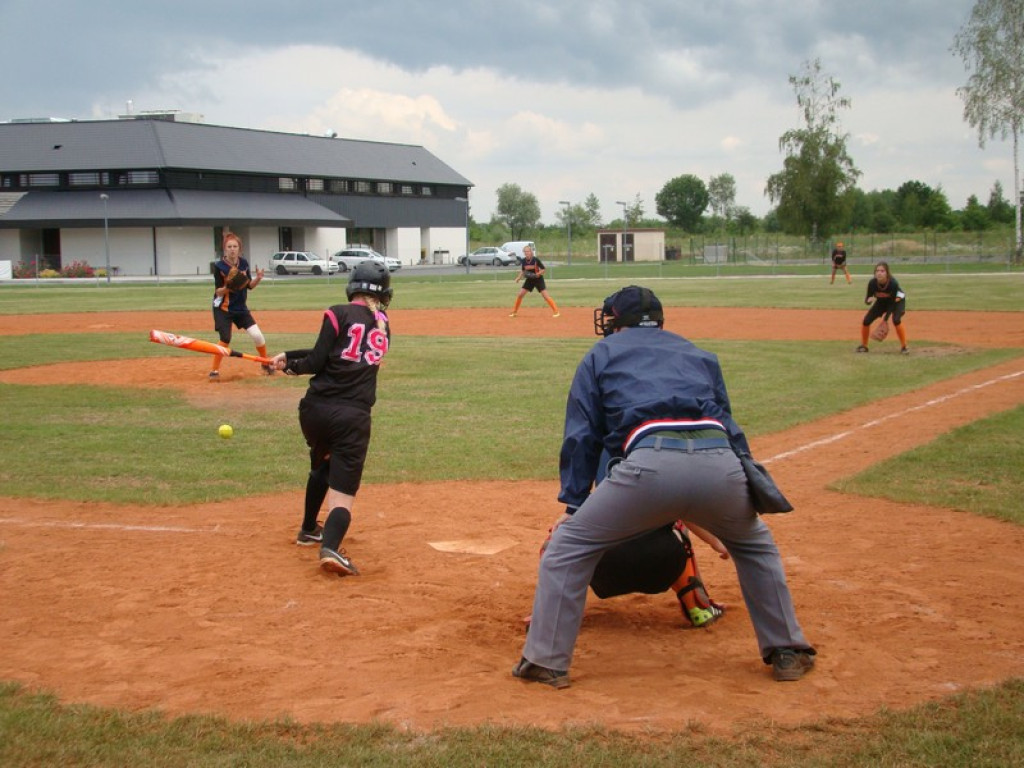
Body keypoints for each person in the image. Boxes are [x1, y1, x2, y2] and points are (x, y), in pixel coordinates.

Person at [512, 285, 815, 689]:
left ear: (615, 322)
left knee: (567, 546)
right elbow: (729, 426)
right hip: (718, 463)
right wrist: (747, 485)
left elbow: (581, 436)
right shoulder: (698, 354)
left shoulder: (601, 354)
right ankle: (788, 651)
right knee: (756, 546)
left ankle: (545, 661)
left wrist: (574, 505)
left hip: (649, 465)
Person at [271, 261, 393, 577]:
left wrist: (289, 365)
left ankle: (310, 528)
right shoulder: (383, 326)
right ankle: (330, 548)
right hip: (352, 417)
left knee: (323, 465)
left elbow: (317, 359)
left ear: (352, 285)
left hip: (315, 413)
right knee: (342, 493)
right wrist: (291, 357)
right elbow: (327, 355)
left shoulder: (336, 312)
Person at [210, 233, 269, 380]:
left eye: (235, 246)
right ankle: (214, 370)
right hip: (223, 308)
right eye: (229, 247)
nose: (232, 249)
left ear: (239, 249)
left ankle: (266, 363)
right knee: (225, 338)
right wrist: (228, 287)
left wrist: (258, 278)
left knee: (258, 336)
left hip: (240, 308)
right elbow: (218, 291)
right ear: (225, 249)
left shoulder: (243, 263)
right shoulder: (219, 266)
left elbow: (249, 286)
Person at [856, 260, 908, 354]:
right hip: (881, 302)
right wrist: (868, 301)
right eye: (877, 271)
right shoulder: (872, 283)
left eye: (882, 271)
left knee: (896, 320)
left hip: (897, 301)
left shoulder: (893, 284)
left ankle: (904, 347)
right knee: (866, 321)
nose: (879, 273)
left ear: (887, 273)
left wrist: (885, 320)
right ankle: (864, 346)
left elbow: (892, 303)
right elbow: (868, 298)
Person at [509, 245, 560, 318]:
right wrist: (518, 278)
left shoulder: (535, 260)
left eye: (528, 251)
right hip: (529, 280)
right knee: (520, 294)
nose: (526, 253)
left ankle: (556, 311)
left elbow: (543, 269)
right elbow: (523, 270)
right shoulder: (523, 261)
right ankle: (514, 312)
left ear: (531, 252)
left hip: (538, 279)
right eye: (525, 251)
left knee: (545, 296)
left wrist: (537, 274)